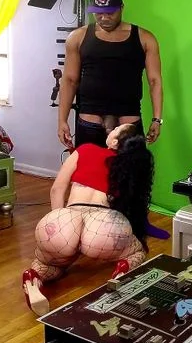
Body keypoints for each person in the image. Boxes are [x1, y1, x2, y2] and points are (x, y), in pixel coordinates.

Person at [22, 123, 154, 316]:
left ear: (115, 142)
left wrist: (62, 223)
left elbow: (57, 189)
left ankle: (33, 280)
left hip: (67, 218)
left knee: (49, 264)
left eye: (115, 130)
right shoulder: (128, 166)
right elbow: (129, 206)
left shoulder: (84, 150)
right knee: (138, 251)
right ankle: (122, 272)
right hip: (102, 225)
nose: (110, 130)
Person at [57, 0, 164, 150]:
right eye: (99, 13)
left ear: (121, 8)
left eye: (110, 12)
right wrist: (62, 120)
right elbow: (70, 80)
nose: (104, 18)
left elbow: (155, 81)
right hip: (90, 119)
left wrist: (157, 119)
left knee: (131, 167)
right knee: (87, 167)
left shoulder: (145, 38)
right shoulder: (77, 37)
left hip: (127, 123)